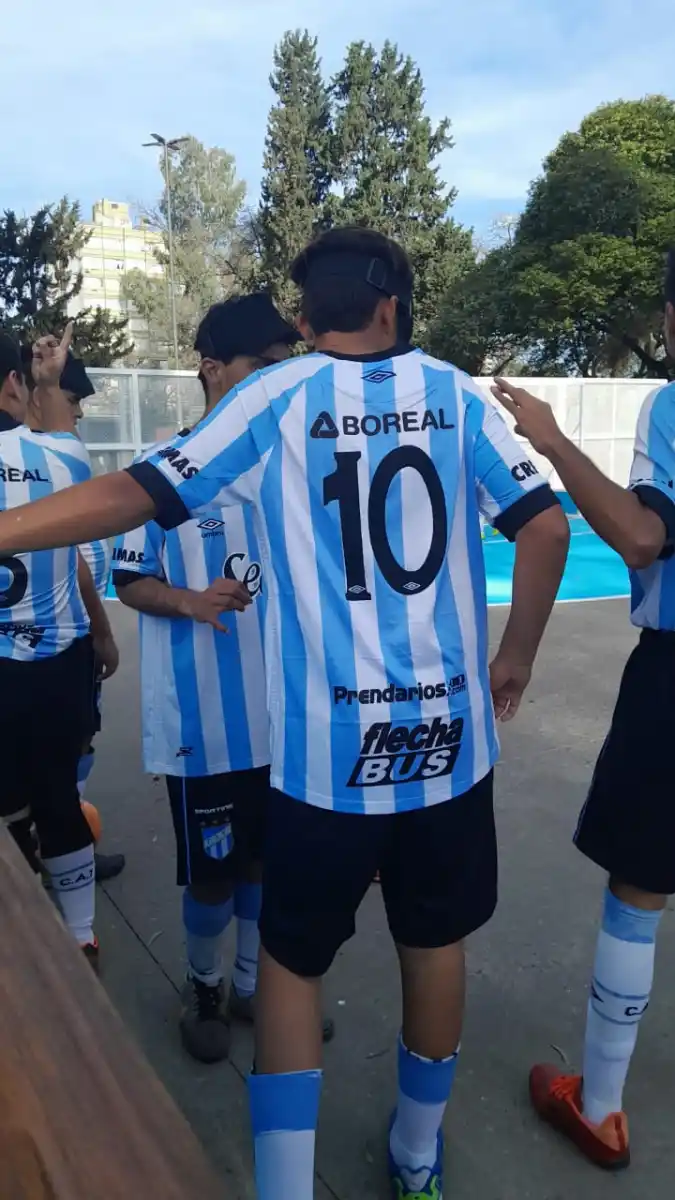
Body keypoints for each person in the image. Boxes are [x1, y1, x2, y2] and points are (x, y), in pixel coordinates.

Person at [0, 228, 570, 1199]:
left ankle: (284, 1188)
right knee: (435, 951)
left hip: (325, 762)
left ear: (306, 320)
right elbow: (547, 524)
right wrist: (512, 656)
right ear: (393, 305)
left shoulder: (275, 397)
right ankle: (419, 1163)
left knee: (294, 972)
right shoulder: (459, 395)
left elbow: (133, 496)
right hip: (446, 755)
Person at [490, 249, 675, 1172]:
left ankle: (598, 1106)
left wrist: (555, 444)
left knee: (639, 890)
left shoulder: (670, 405)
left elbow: (643, 535)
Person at [113, 294, 333, 1061]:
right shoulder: (159, 478)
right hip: (202, 729)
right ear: (213, 370)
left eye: (286, 368)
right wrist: (189, 600)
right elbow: (128, 579)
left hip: (284, 724)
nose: (279, 384)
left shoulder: (290, 474)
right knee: (211, 877)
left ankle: (251, 985)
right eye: (263, 369)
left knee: (268, 863)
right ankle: (203, 983)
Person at [0, 326, 117, 970]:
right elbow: (73, 553)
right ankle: (80, 936)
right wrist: (50, 380)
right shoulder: (64, 461)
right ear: (14, 384)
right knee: (59, 800)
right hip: (54, 666)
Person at [25, 348, 125, 883]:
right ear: (32, 395)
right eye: (70, 399)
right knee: (60, 754)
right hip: (57, 643)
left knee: (78, 742)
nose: (79, 413)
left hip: (70, 636)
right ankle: (56, 847)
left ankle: (61, 840)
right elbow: (72, 564)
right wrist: (101, 630)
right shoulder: (43, 462)